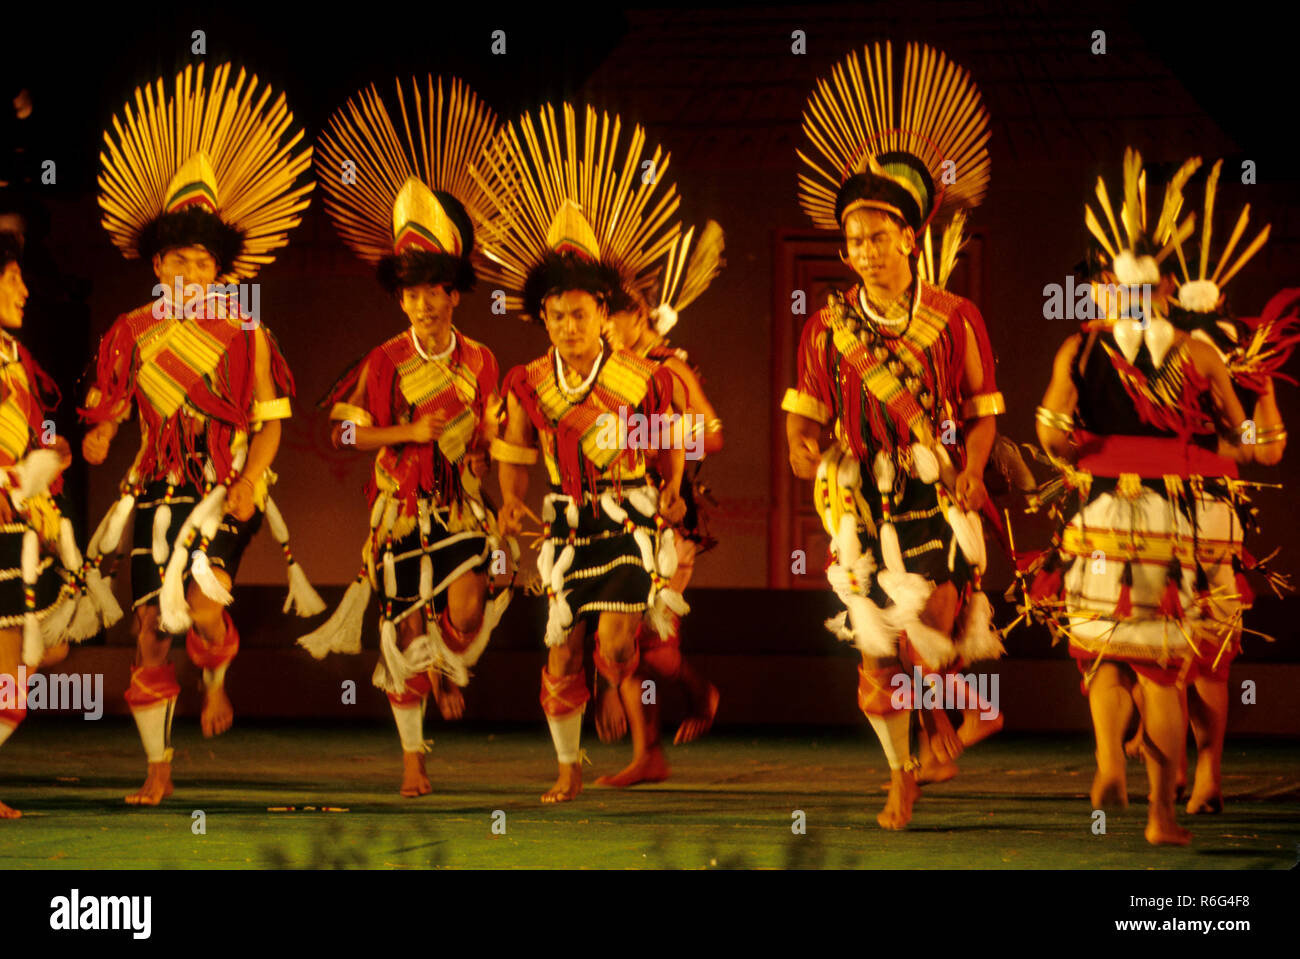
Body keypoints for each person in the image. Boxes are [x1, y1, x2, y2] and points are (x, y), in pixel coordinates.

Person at [80, 63, 320, 805]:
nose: (193, 272)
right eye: (180, 261)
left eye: (205, 263)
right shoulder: (128, 333)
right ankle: (158, 767)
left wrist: (252, 479)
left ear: (221, 270)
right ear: (158, 265)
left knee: (206, 613)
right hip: (151, 496)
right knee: (153, 629)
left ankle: (216, 676)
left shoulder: (248, 334)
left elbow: (270, 425)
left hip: (220, 495)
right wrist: (97, 436)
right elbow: (106, 411)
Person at [784, 41, 1006, 830]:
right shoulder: (825, 329)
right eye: (855, 240)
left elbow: (983, 411)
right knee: (878, 660)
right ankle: (904, 768)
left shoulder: (955, 317)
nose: (866, 251)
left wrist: (971, 470)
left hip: (936, 490)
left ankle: (962, 710)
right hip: (862, 501)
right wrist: (806, 453)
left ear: (911, 237)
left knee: (936, 618)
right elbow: (801, 422)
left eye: (880, 235)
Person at [1028, 148, 1261, 844]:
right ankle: (1163, 813)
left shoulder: (1081, 351)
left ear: (1113, 289)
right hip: (1172, 523)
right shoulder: (1201, 353)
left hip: (1100, 518)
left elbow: (1051, 435)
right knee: (1163, 673)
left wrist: (1088, 449)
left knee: (1102, 652)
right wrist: (1220, 444)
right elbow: (1244, 437)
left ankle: (1108, 760)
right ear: (1163, 290)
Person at [300, 76, 513, 797]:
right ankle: (414, 758)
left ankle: (452, 666)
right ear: (402, 296)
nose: (422, 303)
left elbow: (489, 435)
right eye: (410, 292)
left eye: (434, 291)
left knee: (465, 611)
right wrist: (407, 429)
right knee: (402, 632)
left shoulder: (482, 359)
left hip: (459, 509)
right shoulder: (384, 360)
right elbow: (345, 434)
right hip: (398, 510)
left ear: (454, 292)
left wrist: (485, 449)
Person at [474, 103, 687, 801]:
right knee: (560, 646)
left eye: (581, 313)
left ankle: (628, 696)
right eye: (557, 315)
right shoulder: (527, 381)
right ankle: (568, 766)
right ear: (543, 318)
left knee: (619, 646)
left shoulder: (640, 375)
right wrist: (508, 499)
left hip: (628, 513)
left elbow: (676, 436)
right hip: (566, 522)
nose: (569, 325)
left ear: (604, 311)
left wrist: (671, 484)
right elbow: (514, 449)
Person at [1119, 160, 1294, 814]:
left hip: (1201, 521)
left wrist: (1256, 394)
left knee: (1205, 656)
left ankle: (1208, 770)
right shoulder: (1108, 351)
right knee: (1142, 644)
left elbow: (1268, 447)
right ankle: (1174, 758)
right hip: (1133, 518)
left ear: (1165, 286)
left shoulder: (1217, 352)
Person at [594, 225, 724, 779]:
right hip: (620, 517)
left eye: (611, 318)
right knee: (623, 633)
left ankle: (698, 695)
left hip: (670, 521)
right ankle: (648, 753)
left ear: (640, 316)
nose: (603, 330)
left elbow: (712, 435)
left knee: (656, 645)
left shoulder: (669, 367)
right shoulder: (602, 371)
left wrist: (643, 443)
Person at [0, 232, 90, 818]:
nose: (23, 288)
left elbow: (30, 434)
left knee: (40, 656)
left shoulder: (13, 359)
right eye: (9, 278)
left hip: (14, 529)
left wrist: (43, 464)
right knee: (16, 671)